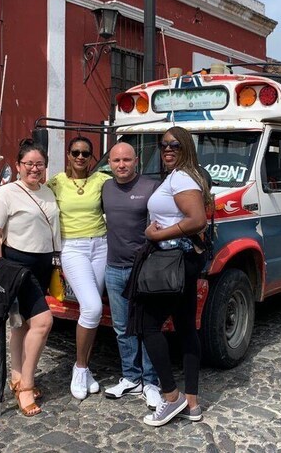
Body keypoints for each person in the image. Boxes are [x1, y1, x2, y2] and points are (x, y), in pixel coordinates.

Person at [140, 126, 211, 427]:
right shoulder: (184, 176)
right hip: (184, 260)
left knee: (147, 325)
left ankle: (171, 397)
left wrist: (155, 234)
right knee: (185, 327)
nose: (167, 150)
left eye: (174, 145)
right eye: (163, 145)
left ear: (186, 149)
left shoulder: (182, 177)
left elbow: (197, 220)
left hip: (173, 259)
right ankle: (192, 404)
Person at [0, 138, 60, 417]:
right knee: (43, 321)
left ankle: (16, 376)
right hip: (17, 269)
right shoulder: (6, 194)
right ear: (18, 166)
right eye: (28, 163)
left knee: (21, 325)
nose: (34, 169)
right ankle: (27, 385)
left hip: (43, 267)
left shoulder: (48, 193)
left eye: (39, 164)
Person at [47, 136, 111, 400]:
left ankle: (86, 371)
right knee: (94, 307)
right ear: (69, 155)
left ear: (92, 157)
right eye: (76, 152)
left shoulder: (101, 181)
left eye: (86, 153)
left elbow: (128, 186)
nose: (81, 157)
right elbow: (32, 196)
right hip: (72, 248)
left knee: (90, 310)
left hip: (101, 246)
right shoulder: (56, 183)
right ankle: (80, 367)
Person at [101, 142, 162, 409]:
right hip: (113, 268)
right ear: (110, 163)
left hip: (144, 269)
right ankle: (131, 378)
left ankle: (151, 382)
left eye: (126, 160)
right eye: (116, 160)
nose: (121, 165)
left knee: (148, 327)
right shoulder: (104, 187)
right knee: (122, 328)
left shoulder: (151, 188)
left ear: (137, 160)